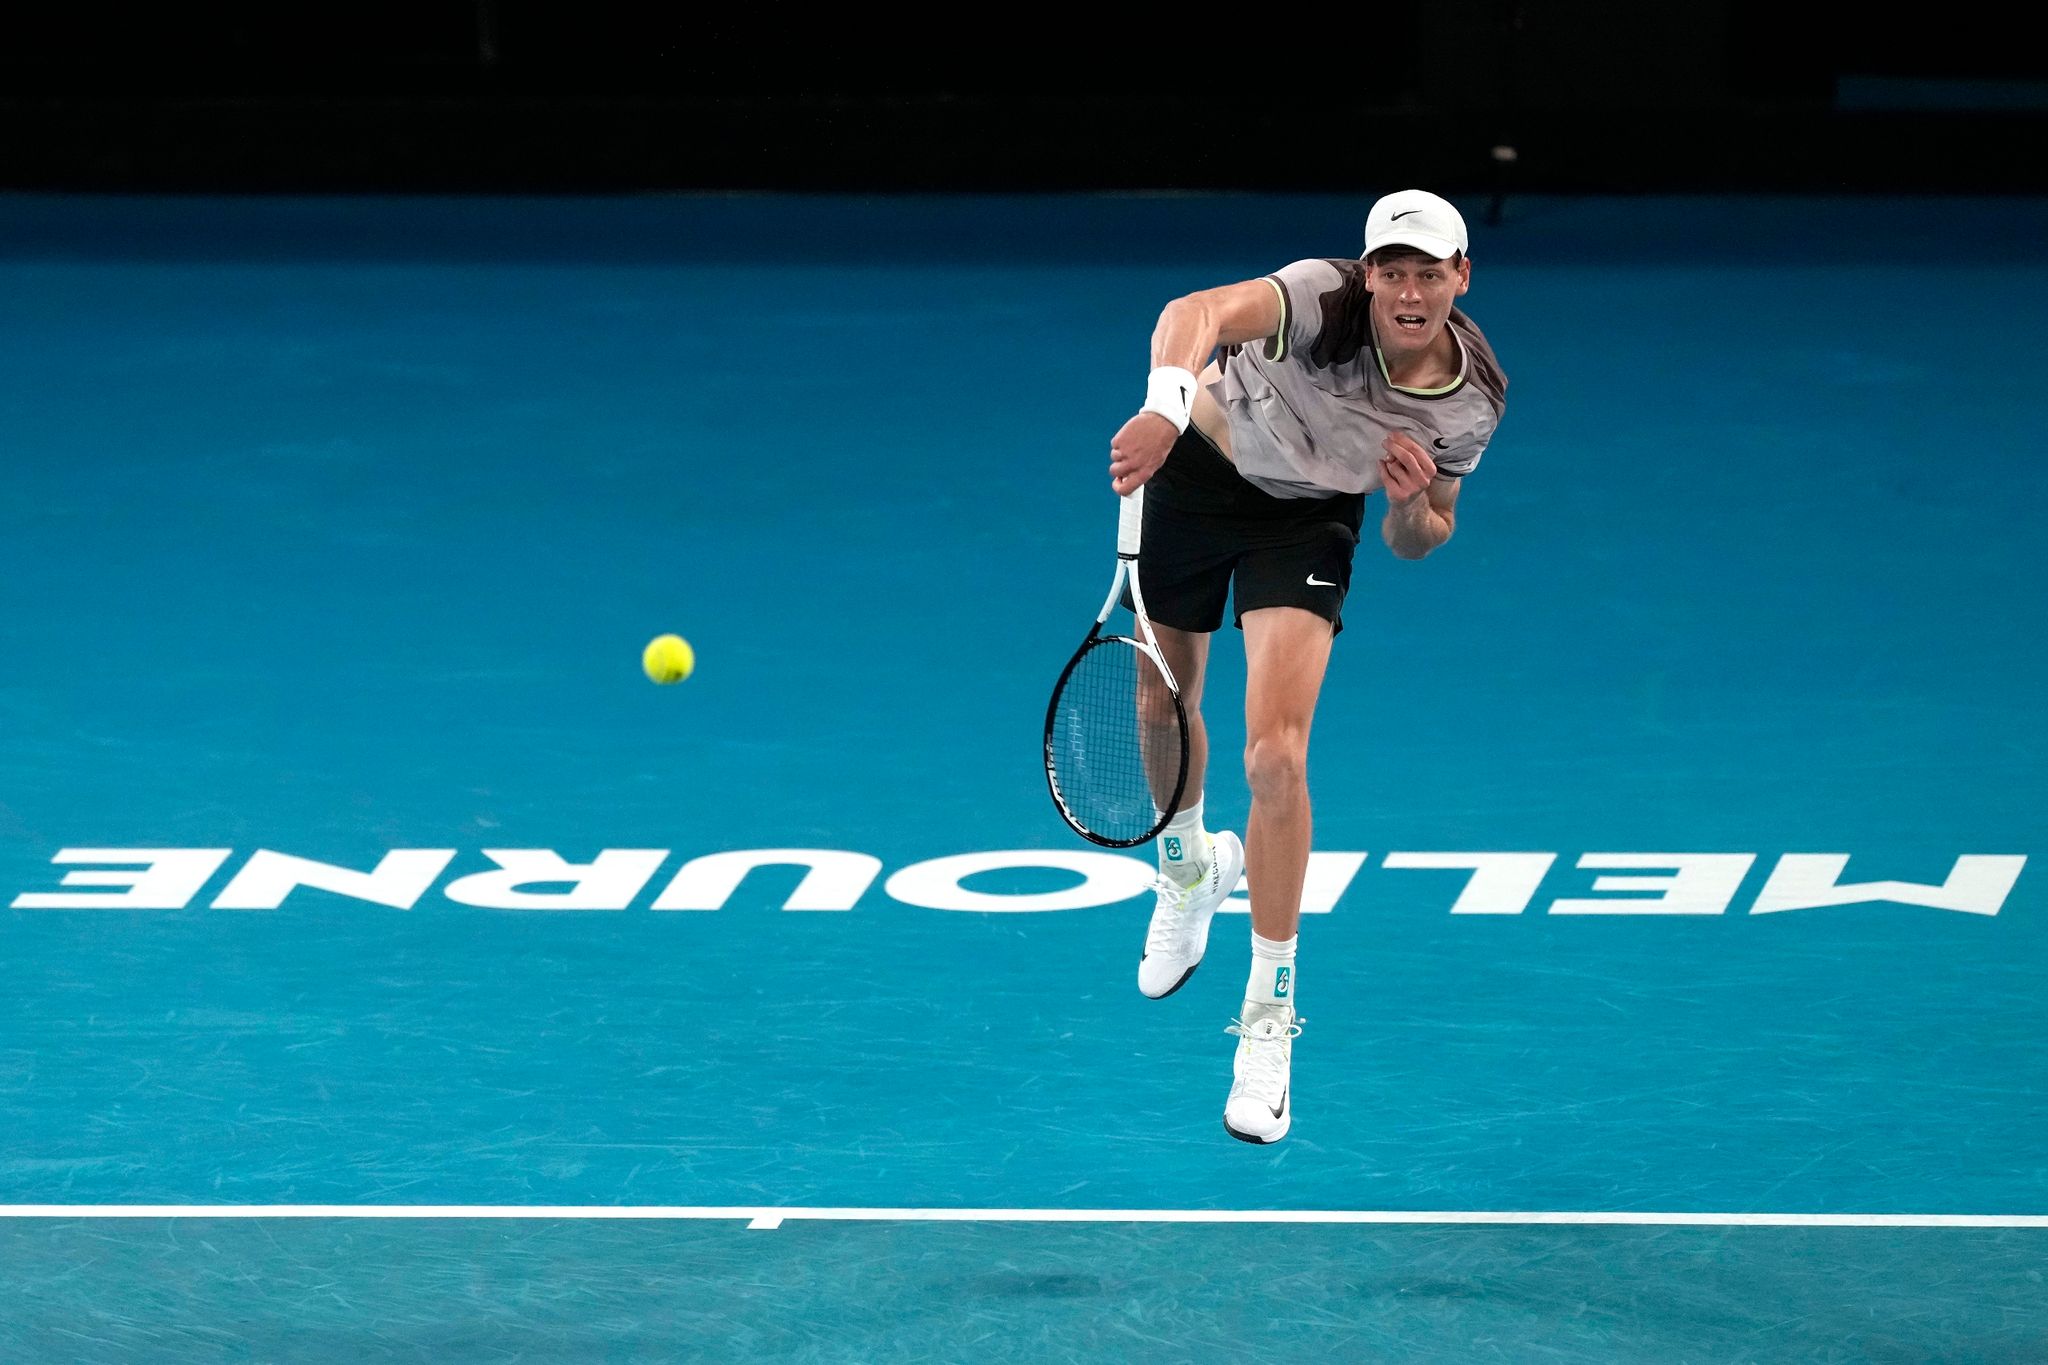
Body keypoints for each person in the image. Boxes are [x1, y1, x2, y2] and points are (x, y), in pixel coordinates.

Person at [1110, 189, 1508, 1143]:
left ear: (1462, 276)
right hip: (1196, 473)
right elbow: (1192, 314)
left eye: (1430, 272)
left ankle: (1268, 1021)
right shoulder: (1319, 298)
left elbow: (1426, 535)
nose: (1410, 291)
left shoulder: (1471, 395)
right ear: (1369, 273)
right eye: (1394, 271)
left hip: (1310, 519)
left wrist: (1412, 507)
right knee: (1165, 705)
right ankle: (1188, 867)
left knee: (1274, 760)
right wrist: (1167, 407)